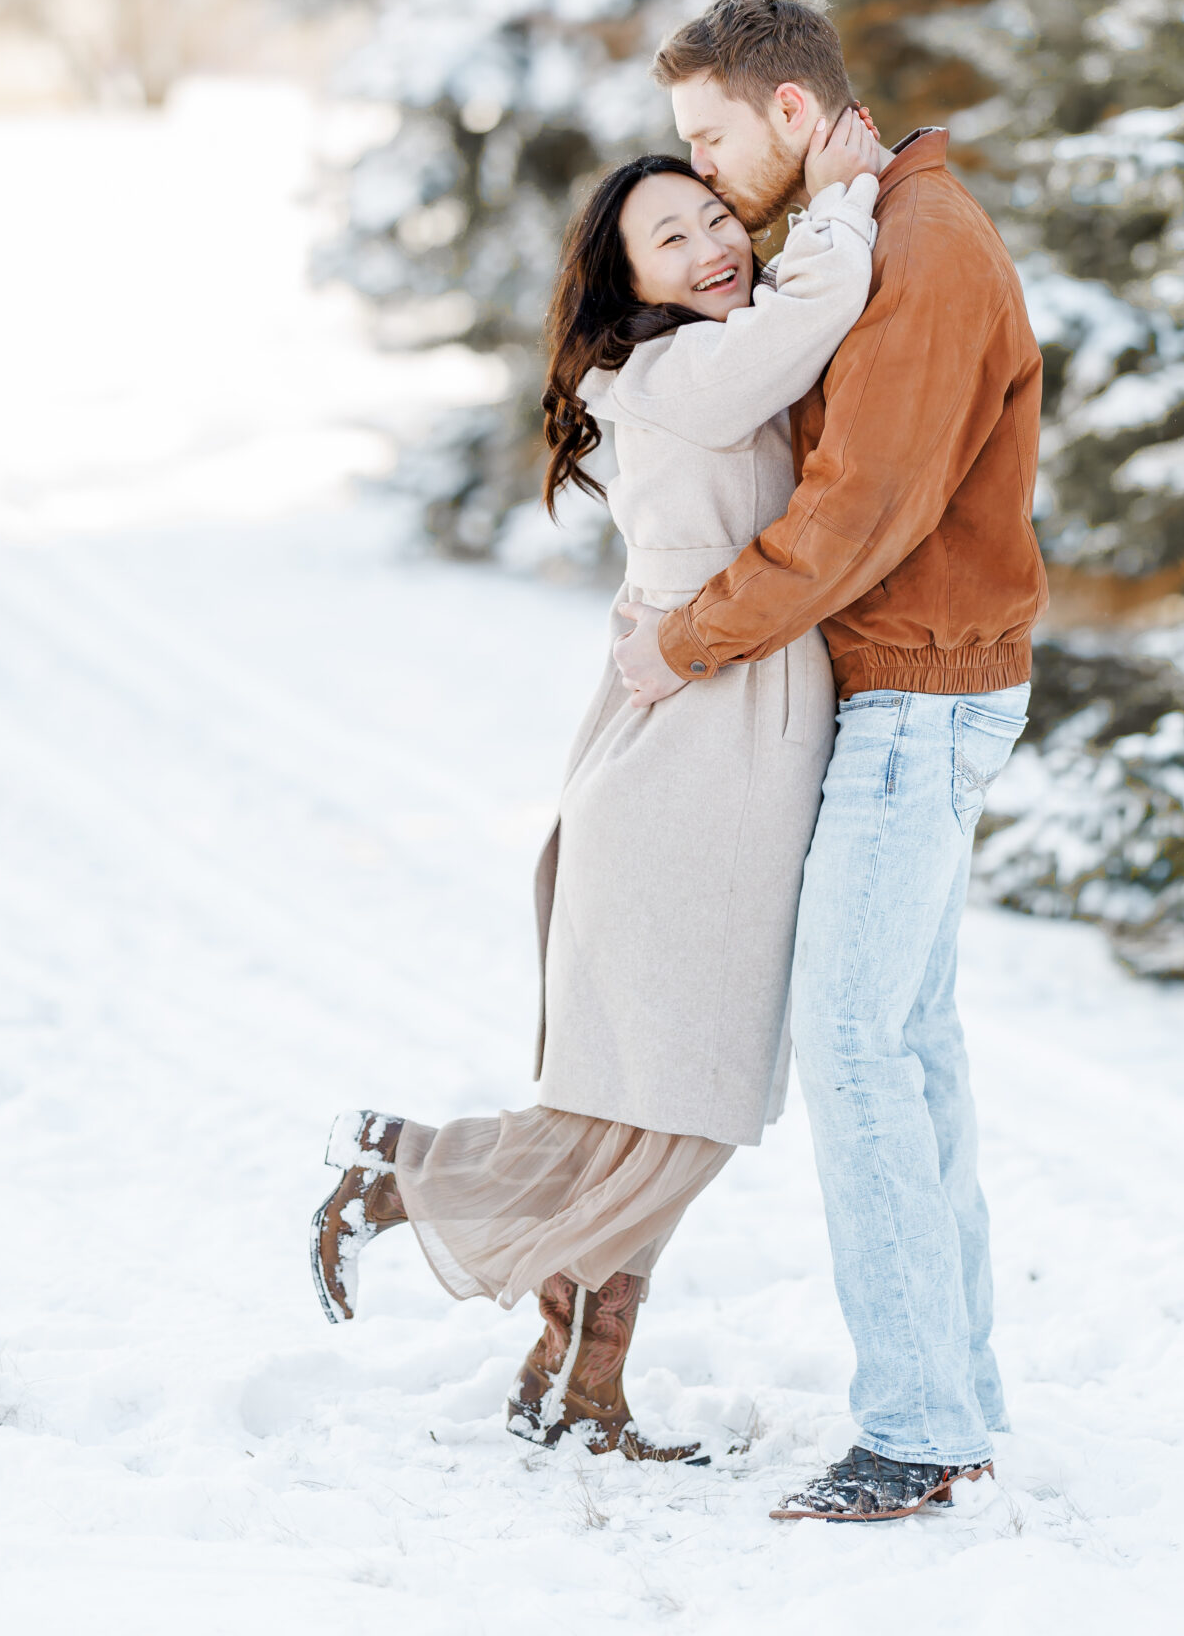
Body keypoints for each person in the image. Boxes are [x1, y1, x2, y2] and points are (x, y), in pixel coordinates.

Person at [310, 111, 884, 1464]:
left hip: (709, 736)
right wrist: (844, 202)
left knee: (663, 1101)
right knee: (679, 1098)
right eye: (670, 237)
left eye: (715, 218)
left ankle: (575, 1380)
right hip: (696, 761)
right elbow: (817, 314)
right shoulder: (680, 374)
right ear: (629, 285)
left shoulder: (692, 369)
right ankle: (407, 1176)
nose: (711, 245)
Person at [613, 0, 1048, 1524]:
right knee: (908, 1046)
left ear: (792, 111)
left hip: (917, 695)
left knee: (858, 1045)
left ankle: (918, 1432)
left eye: (711, 140)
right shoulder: (879, 223)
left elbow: (852, 517)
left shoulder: (924, 252)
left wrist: (686, 637)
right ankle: (959, 1397)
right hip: (916, 690)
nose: (706, 177)